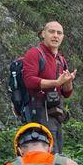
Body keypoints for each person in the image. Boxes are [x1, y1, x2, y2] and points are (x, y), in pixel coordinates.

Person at [21, 21, 75, 153]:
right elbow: (29, 81)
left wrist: (68, 81)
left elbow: (66, 93)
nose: (55, 35)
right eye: (51, 31)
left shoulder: (61, 60)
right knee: (46, 155)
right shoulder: (34, 54)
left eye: (59, 33)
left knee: (57, 153)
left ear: (62, 37)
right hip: (38, 113)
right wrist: (56, 82)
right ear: (43, 34)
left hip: (55, 115)